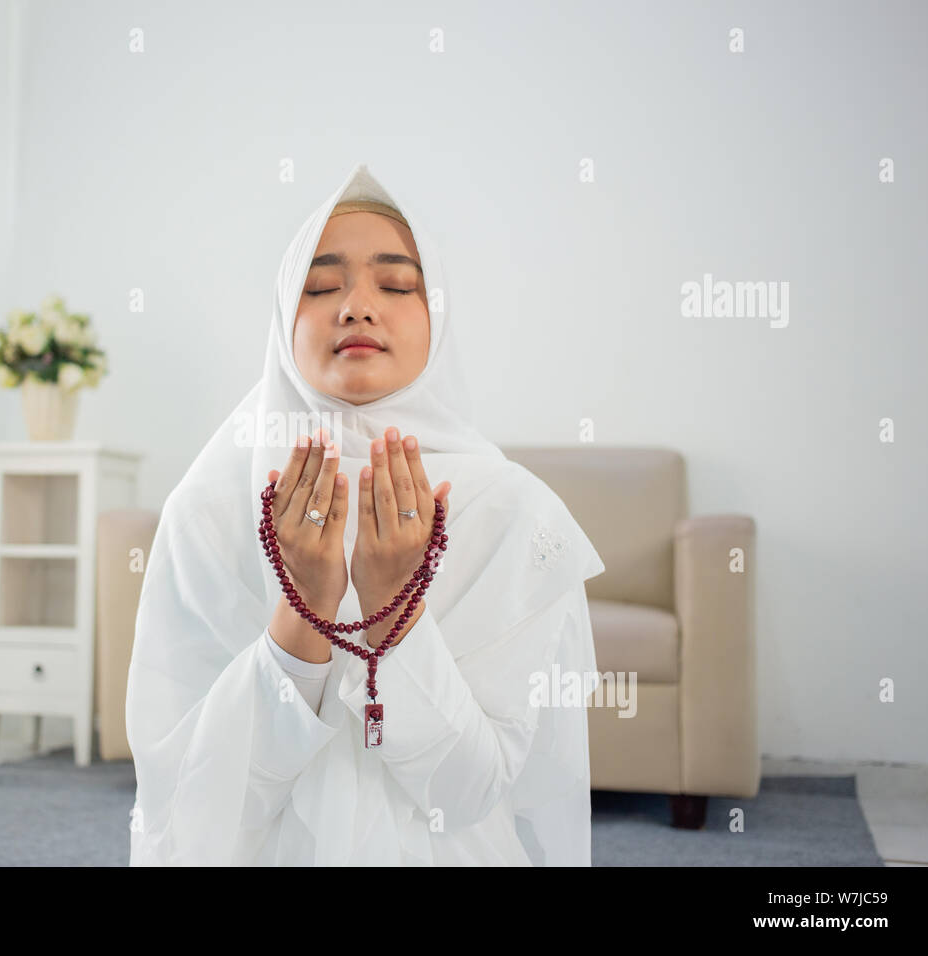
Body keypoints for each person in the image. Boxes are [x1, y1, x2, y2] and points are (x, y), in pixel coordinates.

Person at [125, 162, 606, 865]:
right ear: (282, 320)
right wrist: (304, 610)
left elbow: (465, 790)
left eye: (396, 284)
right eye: (320, 287)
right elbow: (200, 802)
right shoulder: (210, 506)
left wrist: (393, 609)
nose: (356, 306)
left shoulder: (515, 513)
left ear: (436, 314)